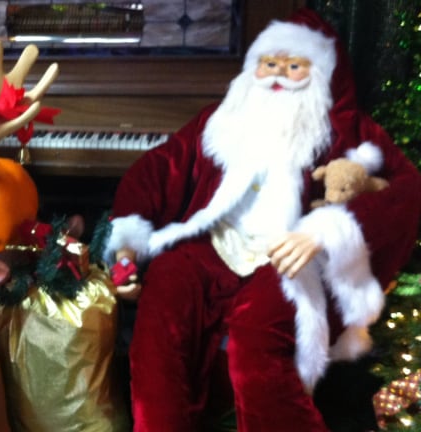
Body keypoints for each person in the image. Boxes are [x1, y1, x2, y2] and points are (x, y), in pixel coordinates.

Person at [104, 8, 421, 431]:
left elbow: (406, 191)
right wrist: (126, 246)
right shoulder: (220, 122)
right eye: (270, 64)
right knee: (165, 291)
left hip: (289, 257)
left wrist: (325, 232)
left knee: (257, 329)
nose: (278, 77)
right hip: (216, 248)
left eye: (294, 66)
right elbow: (156, 172)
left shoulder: (347, 130)